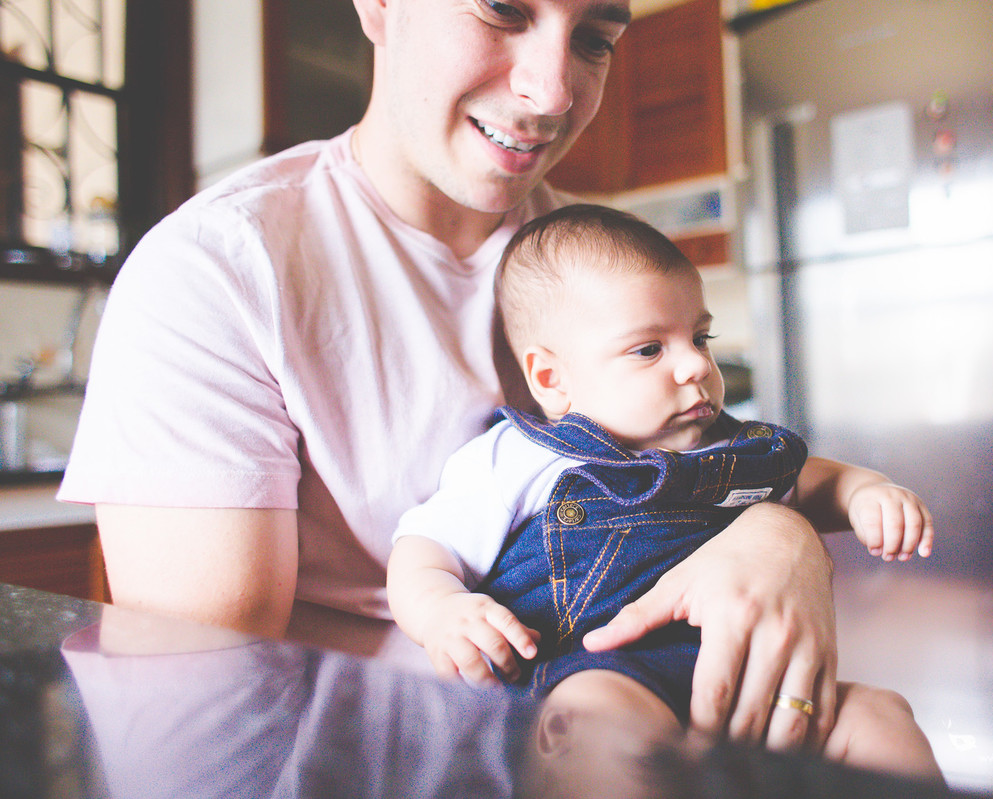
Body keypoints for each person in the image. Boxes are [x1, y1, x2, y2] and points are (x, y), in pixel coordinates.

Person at [58, 0, 899, 753]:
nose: (554, 90)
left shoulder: (589, 272)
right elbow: (215, 677)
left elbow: (708, 469)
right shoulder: (217, 271)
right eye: (501, 8)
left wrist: (784, 538)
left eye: (596, 39)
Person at [386, 204, 941, 779]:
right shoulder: (521, 457)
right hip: (597, 669)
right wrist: (440, 610)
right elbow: (425, 546)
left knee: (882, 718)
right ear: (551, 379)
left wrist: (864, 490)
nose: (695, 365)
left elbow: (807, 481)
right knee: (597, 727)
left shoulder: (730, 449)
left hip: (752, 682)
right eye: (649, 349)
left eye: (700, 337)